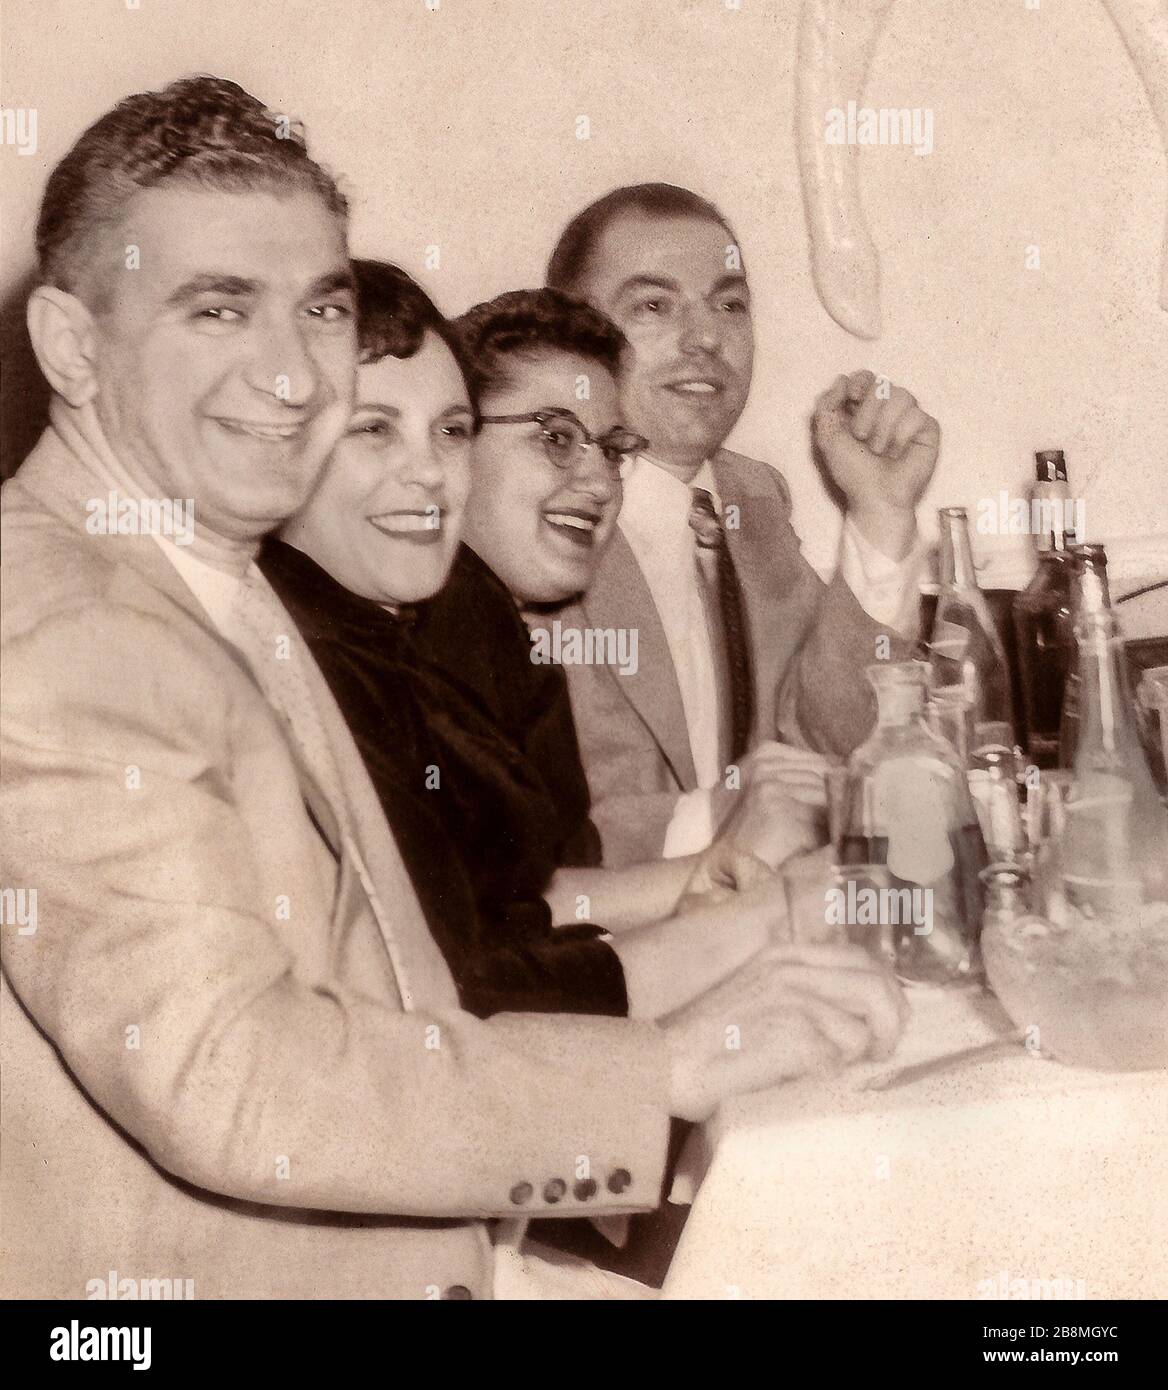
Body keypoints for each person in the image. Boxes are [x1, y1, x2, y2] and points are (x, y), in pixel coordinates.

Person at [0, 77, 905, 1302]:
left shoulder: (201, 560)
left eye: (318, 308)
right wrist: (672, 1066)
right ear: (71, 342)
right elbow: (233, 1076)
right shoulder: (59, 628)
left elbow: (403, 974)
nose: (293, 377)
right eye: (219, 310)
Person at [263, 268, 824, 1023]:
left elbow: (524, 898)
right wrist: (761, 912)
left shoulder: (476, 625)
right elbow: (467, 992)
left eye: (612, 448)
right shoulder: (372, 642)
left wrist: (701, 877)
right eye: (554, 438)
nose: (598, 480)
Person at [544, 183, 942, 866]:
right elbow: (543, 835)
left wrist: (880, 512)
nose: (706, 337)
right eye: (653, 305)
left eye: (729, 304)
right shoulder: (533, 519)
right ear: (573, 334)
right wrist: (735, 818)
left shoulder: (753, 499)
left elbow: (834, 739)